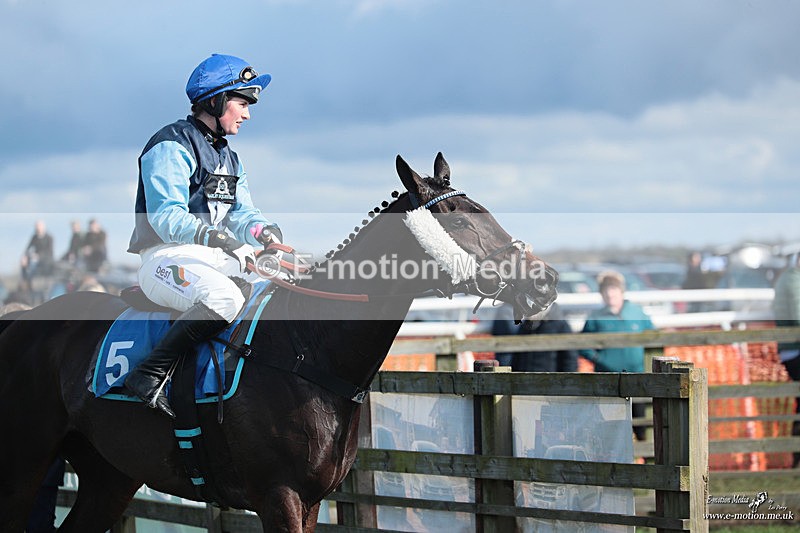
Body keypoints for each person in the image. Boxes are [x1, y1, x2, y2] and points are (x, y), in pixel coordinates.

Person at [125, 53, 280, 418]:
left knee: (280, 284)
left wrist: (266, 233)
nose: (247, 114)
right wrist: (223, 240)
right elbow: (166, 216)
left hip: (210, 257)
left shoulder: (230, 157)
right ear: (216, 100)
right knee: (224, 298)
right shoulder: (170, 143)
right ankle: (148, 374)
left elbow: (242, 214)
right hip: (165, 258)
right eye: (242, 103)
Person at [580, 271, 655, 440]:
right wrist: (600, 359)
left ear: (621, 291)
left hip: (639, 380)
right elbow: (582, 345)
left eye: (613, 289)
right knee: (611, 429)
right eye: (605, 290)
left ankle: (644, 461)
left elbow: (654, 337)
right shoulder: (595, 318)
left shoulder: (637, 313)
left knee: (643, 427)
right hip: (609, 381)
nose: (610, 294)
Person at [772, 253, 800, 467]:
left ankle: (795, 457)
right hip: (794, 348)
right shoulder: (793, 281)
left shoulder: (788, 279)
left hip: (790, 349)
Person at [512, 303, 578, 372]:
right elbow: (516, 357)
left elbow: (570, 359)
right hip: (524, 378)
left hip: (551, 379)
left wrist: (566, 380)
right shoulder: (525, 325)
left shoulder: (560, 326)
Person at [20, 220, 55, 287]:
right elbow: (28, 248)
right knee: (25, 262)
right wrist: (24, 256)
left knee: (33, 262)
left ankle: (31, 280)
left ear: (43, 227)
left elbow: (50, 252)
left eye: (39, 227)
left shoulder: (49, 238)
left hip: (46, 260)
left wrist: (38, 256)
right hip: (35, 258)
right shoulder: (34, 237)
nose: (37, 229)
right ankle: (25, 283)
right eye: (36, 227)